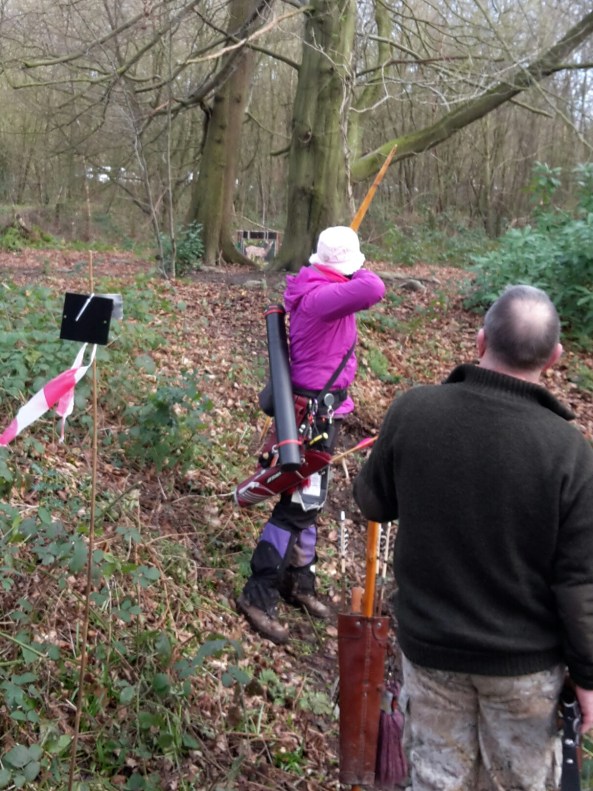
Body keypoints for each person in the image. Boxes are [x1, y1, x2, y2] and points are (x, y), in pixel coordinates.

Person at [353, 284, 593, 790]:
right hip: (525, 671)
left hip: (431, 654)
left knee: (436, 781)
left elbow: (373, 503)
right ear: (555, 357)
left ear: (480, 341)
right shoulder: (570, 452)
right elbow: (578, 583)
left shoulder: (413, 411)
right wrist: (588, 676)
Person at [237, 225, 385, 644]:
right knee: (298, 506)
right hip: (313, 414)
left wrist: (339, 267)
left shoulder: (317, 283)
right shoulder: (322, 296)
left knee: (309, 500)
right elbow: (374, 287)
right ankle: (258, 592)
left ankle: (298, 582)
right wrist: (350, 271)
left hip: (323, 409)